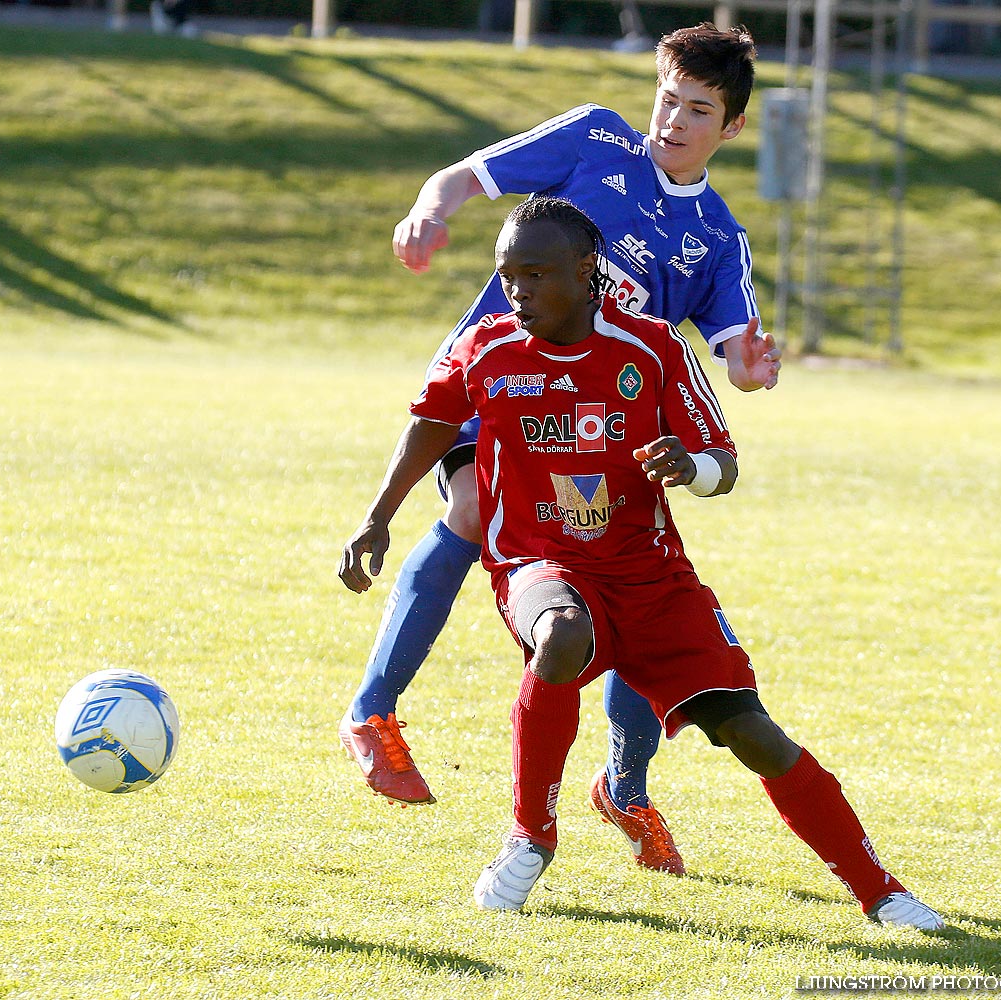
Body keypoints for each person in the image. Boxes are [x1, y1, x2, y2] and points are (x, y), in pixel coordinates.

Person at [339, 197, 945, 931]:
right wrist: (377, 518)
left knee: (755, 734)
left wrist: (690, 467)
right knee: (559, 635)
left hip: (654, 582)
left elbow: (724, 461)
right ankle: (530, 838)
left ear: (587, 271)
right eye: (507, 276)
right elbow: (432, 422)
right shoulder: (488, 349)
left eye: (536, 274)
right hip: (539, 562)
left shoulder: (652, 347)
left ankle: (880, 891)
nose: (517, 292)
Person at [339, 23, 780, 876]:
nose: (672, 121)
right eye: (667, 99)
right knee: (470, 508)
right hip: (496, 385)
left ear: (729, 129)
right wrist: (432, 210)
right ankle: (373, 711)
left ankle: (625, 785)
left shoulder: (719, 237)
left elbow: (736, 352)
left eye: (697, 110)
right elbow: (463, 175)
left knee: (626, 587)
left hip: (594, 431)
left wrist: (753, 368)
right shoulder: (593, 138)